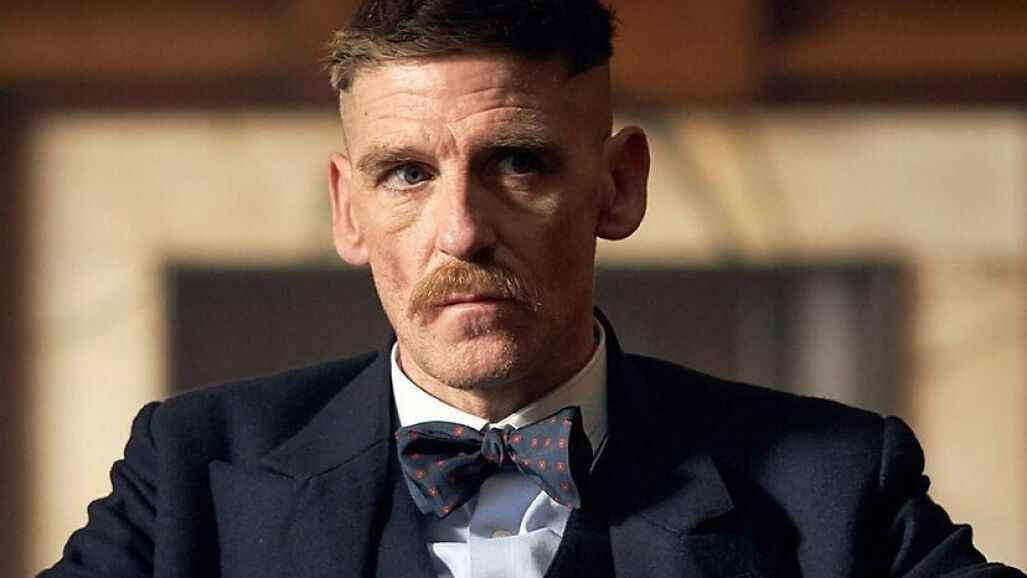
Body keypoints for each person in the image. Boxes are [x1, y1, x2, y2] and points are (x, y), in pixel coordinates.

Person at [41, 1, 1025, 576]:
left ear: (618, 185)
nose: (461, 229)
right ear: (348, 210)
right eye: (406, 173)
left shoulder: (836, 484)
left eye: (516, 163)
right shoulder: (191, 470)